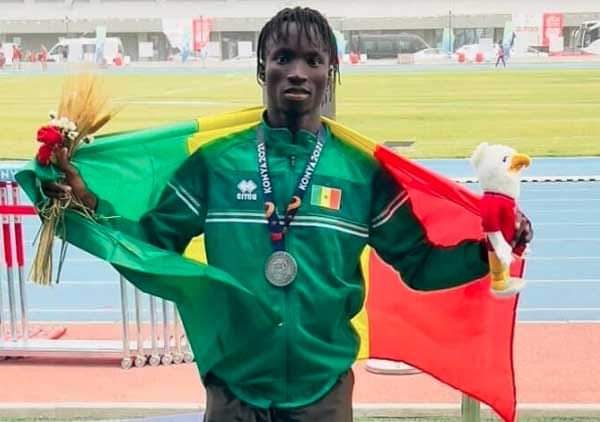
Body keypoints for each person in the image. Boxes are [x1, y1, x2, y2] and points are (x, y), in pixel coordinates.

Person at [43, 7, 531, 422]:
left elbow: (419, 265)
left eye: (313, 60)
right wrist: (89, 206)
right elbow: (152, 243)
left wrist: (489, 249)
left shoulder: (362, 175)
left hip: (324, 394)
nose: (297, 71)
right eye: (283, 58)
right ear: (263, 69)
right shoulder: (216, 164)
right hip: (234, 391)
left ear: (330, 73)